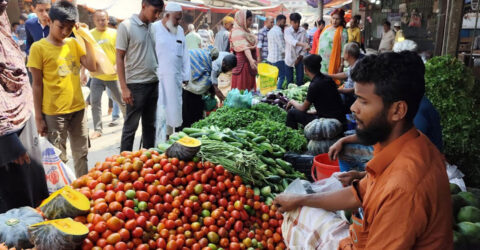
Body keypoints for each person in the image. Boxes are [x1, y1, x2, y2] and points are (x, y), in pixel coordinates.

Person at [275, 52, 453, 249]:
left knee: (303, 222)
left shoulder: (402, 189)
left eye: (363, 101)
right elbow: (357, 194)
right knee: (304, 208)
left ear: (397, 110)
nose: (353, 108)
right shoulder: (406, 145)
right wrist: (300, 199)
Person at [28, 0, 96, 178]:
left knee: (81, 154)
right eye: (61, 27)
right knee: (60, 157)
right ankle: (66, 193)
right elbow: (36, 85)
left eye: (70, 27)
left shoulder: (73, 44)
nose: (65, 32)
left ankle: (84, 189)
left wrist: (86, 38)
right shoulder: (38, 48)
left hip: (78, 109)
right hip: (54, 113)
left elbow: (92, 66)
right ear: (50, 21)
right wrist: (38, 117)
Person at [0, 0, 49, 213]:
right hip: (6, 133)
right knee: (17, 203)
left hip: (21, 119)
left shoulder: (4, 35)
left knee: (35, 192)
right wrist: (7, 139)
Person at [116, 0, 163, 152]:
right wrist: (123, 88)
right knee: (130, 128)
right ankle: (123, 164)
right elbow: (119, 57)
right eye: (155, 11)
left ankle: (148, 162)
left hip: (153, 82)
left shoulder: (153, 27)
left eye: (159, 12)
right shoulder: (127, 26)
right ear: (144, 5)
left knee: (150, 126)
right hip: (136, 85)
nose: (157, 16)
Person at [152, 2, 190, 142]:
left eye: (180, 19)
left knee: (173, 115)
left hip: (174, 78)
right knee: (160, 113)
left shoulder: (179, 30)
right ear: (167, 15)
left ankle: (169, 140)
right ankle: (159, 145)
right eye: (177, 18)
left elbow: (185, 53)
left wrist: (186, 75)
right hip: (158, 79)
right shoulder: (154, 28)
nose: (179, 22)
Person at [88, 10, 127, 139]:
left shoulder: (114, 33)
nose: (101, 22)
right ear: (94, 21)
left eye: (103, 19)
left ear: (107, 20)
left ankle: (128, 121)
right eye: (98, 20)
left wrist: (118, 65)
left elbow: (121, 52)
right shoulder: (90, 35)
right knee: (95, 102)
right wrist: (83, 72)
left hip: (112, 75)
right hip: (96, 75)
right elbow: (85, 53)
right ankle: (98, 129)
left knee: (121, 100)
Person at [285, 54, 345, 129]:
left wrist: (291, 101)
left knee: (292, 112)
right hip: (339, 119)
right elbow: (330, 102)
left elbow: (303, 108)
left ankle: (292, 135)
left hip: (328, 123)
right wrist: (315, 111)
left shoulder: (314, 85)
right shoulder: (328, 79)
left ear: (305, 69)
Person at [182, 48, 237, 128]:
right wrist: (224, 100)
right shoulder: (213, 67)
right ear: (224, 64)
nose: (229, 71)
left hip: (191, 82)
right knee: (190, 113)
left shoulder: (226, 57)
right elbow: (214, 86)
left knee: (193, 110)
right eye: (229, 69)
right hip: (190, 73)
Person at [317, 9, 348, 82]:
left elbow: (344, 50)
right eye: (333, 18)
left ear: (341, 20)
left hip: (332, 61)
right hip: (321, 60)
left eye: (337, 19)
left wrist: (341, 65)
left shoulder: (343, 32)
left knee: (330, 81)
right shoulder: (327, 28)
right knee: (321, 80)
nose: (334, 21)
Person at [328, 42, 361, 111]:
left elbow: (354, 90)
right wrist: (328, 76)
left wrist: (337, 90)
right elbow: (345, 74)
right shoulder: (354, 64)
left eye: (344, 52)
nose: (343, 54)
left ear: (348, 54)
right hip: (346, 92)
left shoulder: (358, 67)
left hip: (350, 97)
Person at [230, 10, 257, 91]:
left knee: (248, 89)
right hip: (242, 66)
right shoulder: (237, 32)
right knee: (241, 89)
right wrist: (251, 61)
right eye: (249, 20)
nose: (251, 22)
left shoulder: (247, 31)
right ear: (243, 20)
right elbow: (245, 48)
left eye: (251, 20)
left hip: (248, 65)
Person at [284, 13, 309, 86]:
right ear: (291, 22)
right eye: (295, 22)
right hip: (289, 58)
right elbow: (292, 41)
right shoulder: (287, 31)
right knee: (289, 81)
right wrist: (304, 44)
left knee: (300, 80)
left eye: (299, 22)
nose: (297, 24)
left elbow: (304, 47)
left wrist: (300, 57)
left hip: (299, 58)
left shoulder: (303, 30)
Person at [267, 14, 286, 90]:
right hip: (278, 59)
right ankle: (277, 92)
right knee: (282, 76)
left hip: (270, 58)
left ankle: (271, 92)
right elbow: (283, 48)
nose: (284, 24)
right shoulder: (278, 32)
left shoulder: (271, 31)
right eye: (283, 22)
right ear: (278, 21)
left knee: (273, 78)